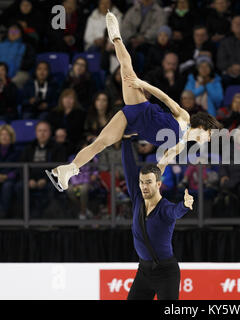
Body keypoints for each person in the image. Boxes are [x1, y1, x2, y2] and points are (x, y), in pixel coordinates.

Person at [47, 12, 223, 192]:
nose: (208, 140)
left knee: (99, 144)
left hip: (133, 127)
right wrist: (142, 84)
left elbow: (161, 164)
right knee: (127, 71)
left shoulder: (180, 146)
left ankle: (66, 170)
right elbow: (165, 98)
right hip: (141, 108)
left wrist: (153, 184)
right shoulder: (184, 118)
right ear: (205, 127)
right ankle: (116, 37)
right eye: (210, 135)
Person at [121, 144, 193, 300]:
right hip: (144, 271)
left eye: (148, 182)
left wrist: (185, 205)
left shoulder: (165, 208)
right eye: (141, 182)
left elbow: (176, 212)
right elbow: (128, 166)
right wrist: (126, 140)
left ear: (158, 184)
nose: (144, 186)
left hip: (166, 273)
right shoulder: (138, 199)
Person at [17, 121, 67, 218]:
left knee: (53, 188)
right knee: (19, 187)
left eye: (45, 131)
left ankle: (46, 219)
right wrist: (29, 179)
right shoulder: (29, 148)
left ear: (50, 133)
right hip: (31, 179)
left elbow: (59, 168)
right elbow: (21, 166)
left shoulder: (58, 148)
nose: (42, 133)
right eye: (40, 131)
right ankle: (23, 218)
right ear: (36, 133)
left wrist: (45, 179)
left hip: (50, 180)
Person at [47, 88, 87, 155]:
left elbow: (79, 129)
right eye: (66, 97)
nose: (68, 100)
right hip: (55, 139)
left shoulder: (81, 113)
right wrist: (56, 132)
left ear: (75, 100)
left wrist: (64, 133)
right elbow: (49, 125)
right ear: (61, 99)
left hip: (73, 141)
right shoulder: (54, 113)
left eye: (71, 98)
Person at [0, 23, 36, 89]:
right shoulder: (1, 45)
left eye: (16, 31)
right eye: (11, 31)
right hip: (1, 71)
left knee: (11, 84)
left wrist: (17, 65)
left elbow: (30, 62)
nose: (13, 33)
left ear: (21, 33)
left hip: (19, 72)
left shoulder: (26, 46)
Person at [0, 125, 19, 218]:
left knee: (7, 186)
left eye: (7, 135)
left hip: (10, 179)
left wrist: (7, 176)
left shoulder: (16, 152)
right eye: (2, 134)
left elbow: (19, 169)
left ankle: (3, 214)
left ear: (11, 137)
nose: (4, 137)